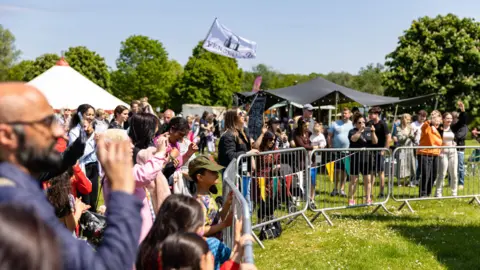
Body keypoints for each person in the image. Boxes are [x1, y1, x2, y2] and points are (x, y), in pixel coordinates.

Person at [0, 82, 143, 269]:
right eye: (46, 122)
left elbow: (53, 167)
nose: (59, 131)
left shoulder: (14, 179)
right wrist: (122, 191)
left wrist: (77, 147)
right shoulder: (17, 205)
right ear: (7, 136)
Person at [348, 113, 377, 206]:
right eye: (359, 122)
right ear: (356, 123)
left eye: (363, 122)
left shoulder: (368, 131)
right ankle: (351, 199)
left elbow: (375, 141)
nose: (362, 124)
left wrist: (373, 132)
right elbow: (353, 139)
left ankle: (368, 198)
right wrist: (360, 131)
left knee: (367, 180)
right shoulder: (352, 131)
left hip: (366, 158)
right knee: (354, 180)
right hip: (355, 159)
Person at [327, 107, 353, 197]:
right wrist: (330, 146)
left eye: (346, 113)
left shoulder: (352, 124)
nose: (344, 115)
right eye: (343, 113)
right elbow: (329, 136)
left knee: (344, 171)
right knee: (336, 170)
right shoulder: (335, 124)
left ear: (349, 114)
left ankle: (342, 189)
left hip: (347, 151)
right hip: (336, 151)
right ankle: (335, 189)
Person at [417, 110, 443, 197]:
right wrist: (431, 119)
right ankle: (422, 193)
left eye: (439, 122)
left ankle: (428, 192)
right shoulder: (427, 126)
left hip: (435, 154)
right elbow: (424, 126)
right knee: (425, 174)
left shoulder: (438, 131)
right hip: (424, 153)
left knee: (434, 175)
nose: (437, 123)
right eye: (436, 121)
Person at [367, 106, 391, 198]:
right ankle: (370, 192)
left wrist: (384, 149)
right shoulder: (369, 123)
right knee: (371, 172)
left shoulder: (382, 124)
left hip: (380, 150)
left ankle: (381, 192)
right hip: (370, 150)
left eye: (371, 114)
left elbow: (388, 137)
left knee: (380, 171)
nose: (369, 115)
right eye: (369, 114)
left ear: (376, 114)